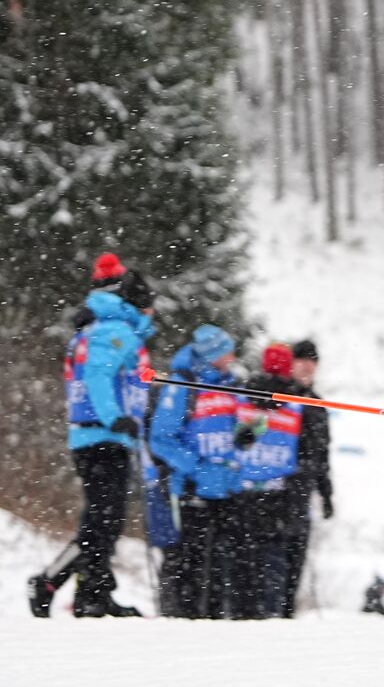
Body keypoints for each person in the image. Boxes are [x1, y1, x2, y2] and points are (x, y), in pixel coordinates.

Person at [29, 253, 155, 619]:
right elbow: (98, 377)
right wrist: (116, 418)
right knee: (102, 522)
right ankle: (60, 584)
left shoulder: (101, 328)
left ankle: (91, 591)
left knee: (103, 521)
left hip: (98, 436)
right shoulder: (115, 331)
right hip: (101, 436)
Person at [149, 325, 241, 618]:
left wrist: (248, 434)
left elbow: (234, 429)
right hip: (191, 490)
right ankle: (178, 622)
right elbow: (161, 439)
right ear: (213, 353)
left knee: (220, 570)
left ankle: (213, 627)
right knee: (188, 565)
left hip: (225, 491)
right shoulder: (181, 385)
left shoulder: (232, 384)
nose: (233, 355)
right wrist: (196, 468)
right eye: (227, 350)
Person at [232, 343, 303, 618]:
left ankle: (243, 612)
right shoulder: (296, 400)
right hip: (278, 491)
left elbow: (236, 434)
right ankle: (269, 611)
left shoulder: (245, 394)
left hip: (246, 488)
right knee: (273, 558)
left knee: (244, 557)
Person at [282, 339, 333, 617]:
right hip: (279, 488)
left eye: (311, 362)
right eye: (301, 361)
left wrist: (326, 493)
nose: (306, 367)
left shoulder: (316, 404)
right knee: (276, 558)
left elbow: (323, 454)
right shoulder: (280, 397)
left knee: (296, 556)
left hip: (304, 490)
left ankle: (288, 611)